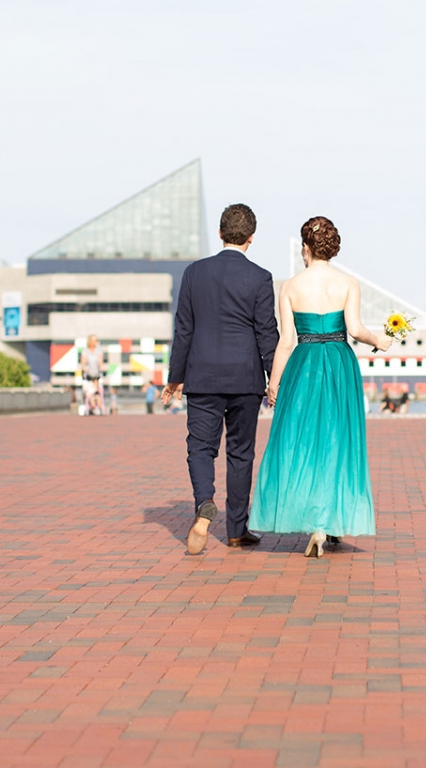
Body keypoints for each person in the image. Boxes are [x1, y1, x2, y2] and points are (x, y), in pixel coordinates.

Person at [248, 216, 392, 558]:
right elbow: (355, 329)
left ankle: (313, 522)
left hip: (305, 363)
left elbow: (285, 342)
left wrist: (274, 384)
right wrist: (380, 340)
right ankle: (329, 522)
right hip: (340, 364)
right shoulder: (348, 283)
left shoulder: (291, 286)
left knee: (301, 441)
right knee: (336, 441)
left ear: (306, 247)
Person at [161, 204, 278, 555]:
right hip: (245, 379)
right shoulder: (260, 277)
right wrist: (275, 378)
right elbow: (266, 333)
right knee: (240, 454)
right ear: (251, 238)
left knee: (200, 447)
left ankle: (204, 504)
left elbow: (183, 329)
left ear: (220, 232)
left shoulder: (195, 273)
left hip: (203, 377)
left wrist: (175, 377)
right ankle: (237, 531)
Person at [81, 335, 103, 414]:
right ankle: (92, 406)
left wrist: (101, 370)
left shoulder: (98, 351)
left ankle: (99, 407)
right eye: (95, 340)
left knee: (97, 391)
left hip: (96, 374)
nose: (96, 342)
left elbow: (100, 363)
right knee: (90, 391)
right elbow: (83, 363)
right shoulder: (85, 351)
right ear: (90, 341)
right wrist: (84, 368)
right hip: (88, 375)